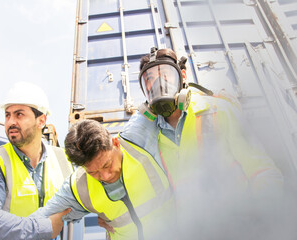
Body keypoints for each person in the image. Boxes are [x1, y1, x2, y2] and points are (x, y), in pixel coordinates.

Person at [120, 47, 284, 238]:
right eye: (149, 79)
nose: (157, 83)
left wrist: (263, 220)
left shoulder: (218, 110)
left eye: (164, 74)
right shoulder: (148, 136)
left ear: (182, 75)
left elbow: (262, 170)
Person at [31, 119, 177, 240]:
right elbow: (36, 221)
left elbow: (160, 100)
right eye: (93, 172)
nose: (105, 176)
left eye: (107, 164)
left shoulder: (136, 139)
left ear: (116, 144)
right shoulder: (78, 187)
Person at [0, 81, 73, 240]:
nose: (10, 122)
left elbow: (87, 194)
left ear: (41, 121)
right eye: (7, 115)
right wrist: (44, 228)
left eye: (19, 114)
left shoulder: (64, 159)